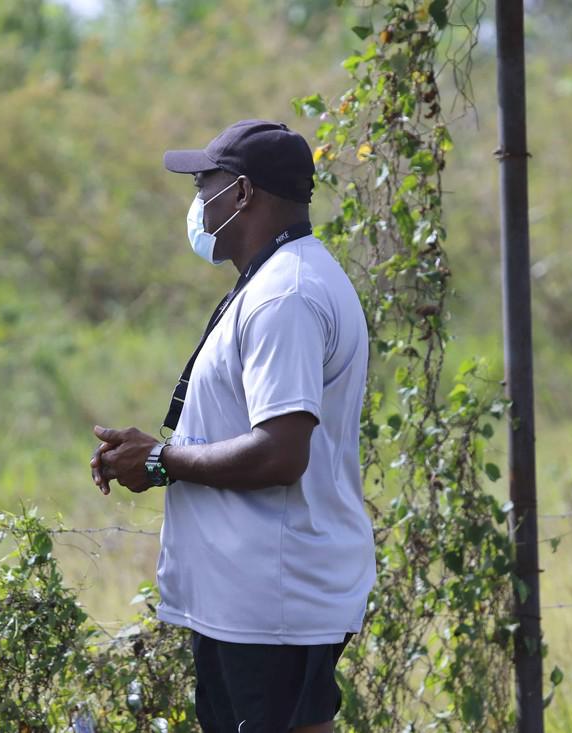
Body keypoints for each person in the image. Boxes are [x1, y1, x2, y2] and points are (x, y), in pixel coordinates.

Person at [90, 120, 375, 733]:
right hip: (251, 599)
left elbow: (280, 453)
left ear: (242, 194)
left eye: (204, 185)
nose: (197, 204)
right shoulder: (275, 282)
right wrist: (155, 455)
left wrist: (160, 460)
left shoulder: (285, 297)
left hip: (272, 598)